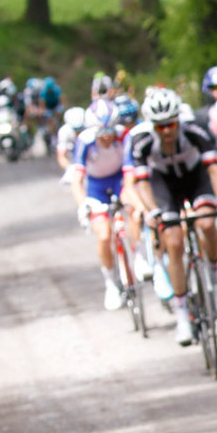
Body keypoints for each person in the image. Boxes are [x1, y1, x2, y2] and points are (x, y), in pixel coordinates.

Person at [129, 88, 217, 345]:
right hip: (164, 185)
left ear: (178, 119)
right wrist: (152, 211)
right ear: (152, 125)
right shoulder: (141, 141)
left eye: (171, 124)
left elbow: (215, 170)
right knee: (173, 242)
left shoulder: (195, 130)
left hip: (196, 179)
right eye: (160, 126)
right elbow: (141, 184)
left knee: (207, 223)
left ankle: (216, 278)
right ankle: (182, 315)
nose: (166, 131)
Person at [70, 99, 131, 311]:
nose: (106, 136)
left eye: (110, 131)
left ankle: (142, 255)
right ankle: (110, 284)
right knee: (104, 235)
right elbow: (76, 180)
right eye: (101, 132)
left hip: (119, 180)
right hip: (96, 187)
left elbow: (133, 170)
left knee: (135, 209)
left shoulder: (124, 135)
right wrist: (83, 204)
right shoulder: (85, 141)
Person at [56, 106, 86, 172]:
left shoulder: (89, 128)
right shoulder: (64, 132)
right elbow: (61, 156)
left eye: (81, 129)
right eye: (75, 130)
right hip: (72, 161)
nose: (78, 132)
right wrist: (69, 169)